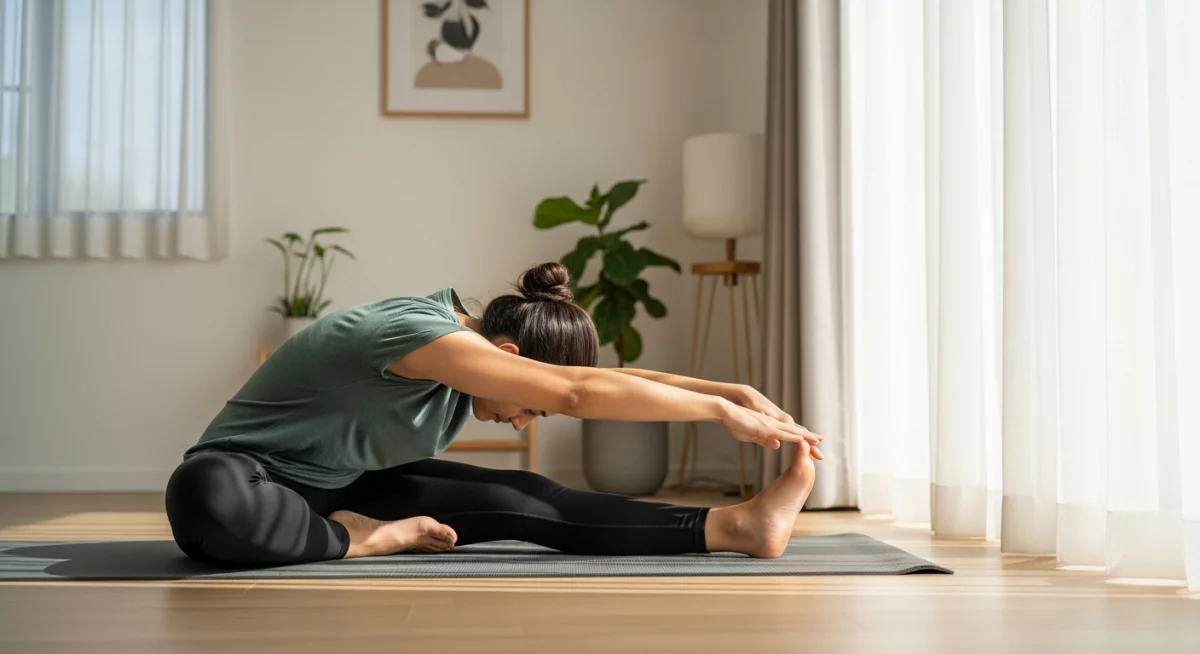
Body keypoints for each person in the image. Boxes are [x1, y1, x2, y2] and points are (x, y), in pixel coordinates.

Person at [164, 262, 823, 566]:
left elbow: (602, 381)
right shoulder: (419, 334)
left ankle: (737, 527)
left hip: (342, 487)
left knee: (528, 497)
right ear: (507, 356)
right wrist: (716, 413)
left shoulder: (476, 351)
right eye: (529, 406)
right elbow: (575, 394)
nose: (522, 420)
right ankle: (366, 539)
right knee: (202, 493)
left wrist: (731, 389)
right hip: (249, 480)